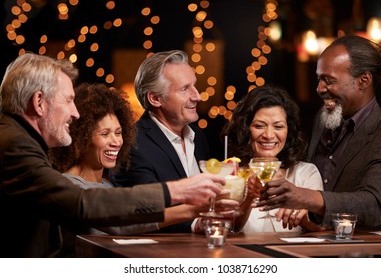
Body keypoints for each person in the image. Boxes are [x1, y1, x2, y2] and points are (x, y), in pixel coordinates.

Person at [0, 52, 224, 257]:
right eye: (68, 100)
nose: (75, 112)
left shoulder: (18, 138)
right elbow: (83, 204)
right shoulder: (14, 145)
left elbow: (115, 219)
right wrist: (179, 190)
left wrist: (195, 208)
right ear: (39, 102)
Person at [259, 34, 381, 230]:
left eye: (329, 80)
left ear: (364, 80)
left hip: (360, 251)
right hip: (314, 244)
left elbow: (373, 205)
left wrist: (306, 198)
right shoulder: (324, 116)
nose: (319, 88)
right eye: (319, 79)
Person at [49, 83, 207, 238]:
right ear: (80, 138)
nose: (116, 141)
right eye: (105, 134)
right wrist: (193, 210)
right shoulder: (69, 185)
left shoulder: (110, 185)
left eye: (118, 133)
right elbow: (123, 222)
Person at [111, 50, 210, 233]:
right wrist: (197, 224)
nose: (197, 96)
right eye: (185, 89)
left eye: (194, 86)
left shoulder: (199, 137)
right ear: (155, 99)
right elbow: (145, 208)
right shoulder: (131, 143)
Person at [222, 85, 323, 232]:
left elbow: (321, 230)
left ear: (288, 131)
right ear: (245, 129)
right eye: (259, 126)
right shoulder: (229, 173)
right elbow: (224, 227)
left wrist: (302, 219)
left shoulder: (306, 173)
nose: (269, 135)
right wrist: (249, 198)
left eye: (278, 126)